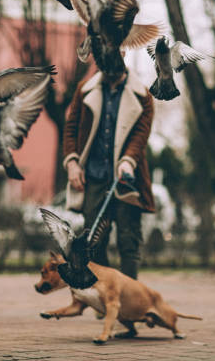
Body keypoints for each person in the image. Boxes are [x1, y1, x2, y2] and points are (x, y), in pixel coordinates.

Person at [62, 68, 155, 280]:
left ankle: (130, 301)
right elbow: (71, 128)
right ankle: (105, 297)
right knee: (94, 242)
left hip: (126, 180)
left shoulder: (143, 95)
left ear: (123, 49)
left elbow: (141, 136)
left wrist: (128, 160)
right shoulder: (83, 90)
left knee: (128, 242)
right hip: (93, 179)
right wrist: (72, 163)